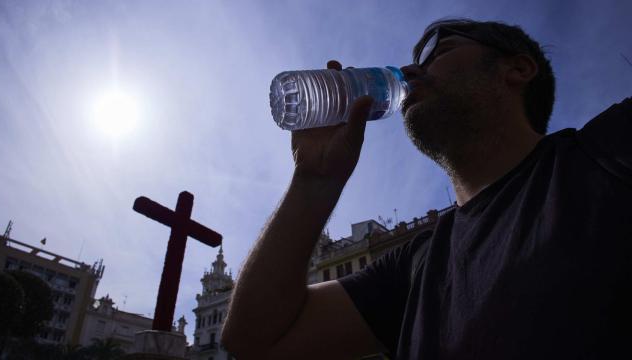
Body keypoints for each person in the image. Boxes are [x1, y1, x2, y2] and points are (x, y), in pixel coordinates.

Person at [221, 18, 632, 359]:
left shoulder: (606, 154)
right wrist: (314, 180)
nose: (413, 71)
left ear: (517, 69)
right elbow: (255, 339)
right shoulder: (416, 264)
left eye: (442, 52)